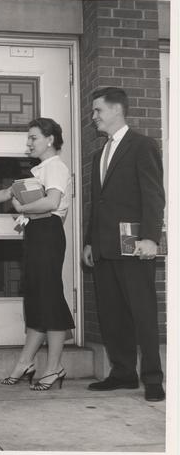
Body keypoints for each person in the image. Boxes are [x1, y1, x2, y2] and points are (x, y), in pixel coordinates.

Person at [0, 117, 75, 391]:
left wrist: (21, 209)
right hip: (37, 234)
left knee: (49, 299)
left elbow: (52, 202)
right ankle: (26, 362)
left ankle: (54, 368)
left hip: (48, 234)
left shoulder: (55, 167)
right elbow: (9, 192)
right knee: (37, 298)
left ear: (50, 140)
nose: (28, 143)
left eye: (33, 137)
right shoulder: (40, 169)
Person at [83, 87, 165, 402]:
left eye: (97, 111)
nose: (93, 118)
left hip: (135, 246)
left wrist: (150, 238)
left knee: (142, 313)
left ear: (116, 110)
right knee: (112, 314)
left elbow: (154, 195)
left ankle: (154, 379)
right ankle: (123, 374)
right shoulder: (98, 155)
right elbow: (97, 204)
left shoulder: (142, 145)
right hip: (104, 248)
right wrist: (90, 243)